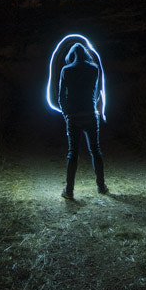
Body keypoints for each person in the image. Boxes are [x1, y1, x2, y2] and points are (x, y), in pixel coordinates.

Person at [57, 42, 108, 199]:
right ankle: (101, 186)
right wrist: (95, 108)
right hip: (91, 114)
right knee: (95, 150)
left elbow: (60, 97)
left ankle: (69, 191)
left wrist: (66, 113)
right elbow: (97, 92)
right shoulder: (94, 69)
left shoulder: (66, 70)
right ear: (86, 54)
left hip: (74, 116)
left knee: (73, 153)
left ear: (72, 55)